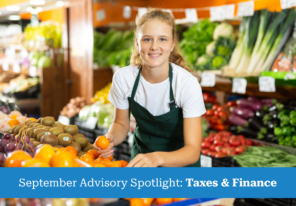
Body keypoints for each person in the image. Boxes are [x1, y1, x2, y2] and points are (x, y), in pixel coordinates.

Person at [93, 9, 206, 167]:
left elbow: (193, 151)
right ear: (138, 43)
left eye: (162, 39)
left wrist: (156, 158)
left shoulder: (186, 84)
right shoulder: (123, 79)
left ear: (172, 44)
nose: (154, 46)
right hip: (142, 163)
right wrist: (110, 138)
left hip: (181, 166)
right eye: (147, 39)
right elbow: (121, 124)